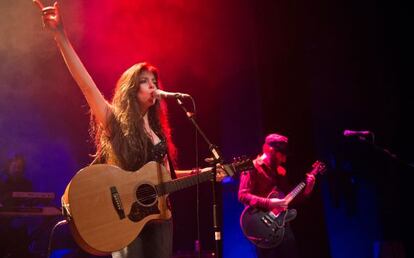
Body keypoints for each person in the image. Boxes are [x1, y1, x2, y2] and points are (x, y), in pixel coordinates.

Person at [33, 1, 224, 258]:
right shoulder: (115, 120)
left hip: (160, 216)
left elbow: (166, 176)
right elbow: (86, 85)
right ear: (131, 88)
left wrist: (206, 173)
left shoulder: (157, 130)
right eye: (145, 81)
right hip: (125, 218)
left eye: (154, 81)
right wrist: (61, 36)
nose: (153, 86)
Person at [238, 133, 316, 258]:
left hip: (282, 226)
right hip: (262, 227)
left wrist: (308, 189)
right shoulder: (252, 167)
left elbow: (288, 200)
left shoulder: (281, 171)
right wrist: (269, 203)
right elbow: (243, 195)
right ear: (270, 150)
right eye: (282, 155)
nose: (284, 159)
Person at [0, 154, 33, 258]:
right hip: (3, 223)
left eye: (19, 167)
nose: (17, 170)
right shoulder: (2, 183)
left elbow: (31, 204)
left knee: (22, 248)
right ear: (9, 167)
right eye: (14, 167)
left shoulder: (27, 184)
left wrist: (23, 218)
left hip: (21, 222)